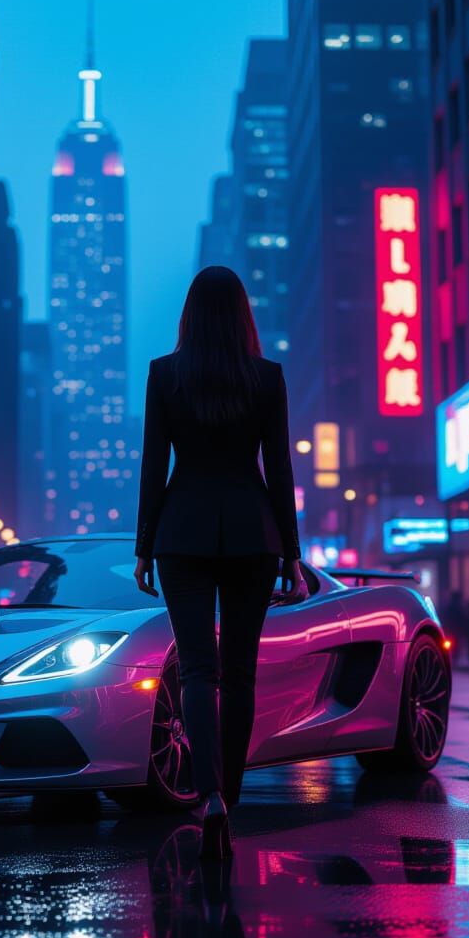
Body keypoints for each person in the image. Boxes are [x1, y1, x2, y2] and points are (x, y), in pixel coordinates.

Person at [133, 265, 306, 860]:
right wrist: (292, 553)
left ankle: (206, 795)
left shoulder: (164, 374)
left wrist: (143, 545)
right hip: (254, 533)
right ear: (242, 315)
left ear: (189, 315)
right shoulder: (266, 376)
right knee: (239, 673)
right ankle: (229, 795)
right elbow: (279, 469)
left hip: (181, 532)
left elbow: (153, 465)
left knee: (197, 671)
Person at [441, 590, 466, 660]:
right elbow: (462, 618)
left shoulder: (449, 607)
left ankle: (451, 656)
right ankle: (454, 656)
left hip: (450, 628)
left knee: (451, 643)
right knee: (455, 643)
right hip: (455, 628)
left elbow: (445, 617)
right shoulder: (459, 607)